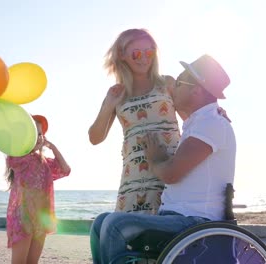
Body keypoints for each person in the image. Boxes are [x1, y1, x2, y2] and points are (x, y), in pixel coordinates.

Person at [90, 54, 236, 264]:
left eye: (179, 83)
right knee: (100, 223)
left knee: (114, 225)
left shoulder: (210, 123)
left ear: (195, 91)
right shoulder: (198, 123)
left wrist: (155, 158)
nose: (173, 88)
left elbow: (171, 174)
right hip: (178, 216)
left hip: (195, 221)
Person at [88, 28, 182, 214]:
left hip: (170, 171)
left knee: (171, 237)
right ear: (122, 55)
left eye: (149, 52)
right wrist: (109, 105)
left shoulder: (167, 83)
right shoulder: (117, 93)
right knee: (130, 238)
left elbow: (193, 118)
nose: (144, 58)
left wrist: (213, 112)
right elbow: (95, 138)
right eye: (137, 53)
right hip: (134, 180)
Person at [5, 114, 71, 264]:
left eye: (40, 134)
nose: (39, 137)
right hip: (23, 217)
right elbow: (11, 158)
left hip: (41, 217)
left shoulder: (44, 162)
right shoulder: (18, 158)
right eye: (34, 134)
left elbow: (65, 169)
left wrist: (52, 147)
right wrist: (34, 145)